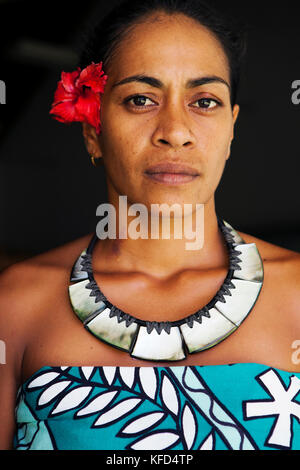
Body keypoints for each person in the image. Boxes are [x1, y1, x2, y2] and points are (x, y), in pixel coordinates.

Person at [0, 0, 300, 451]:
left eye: (204, 101)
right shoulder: (17, 304)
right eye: (141, 99)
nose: (175, 130)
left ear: (230, 130)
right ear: (92, 127)